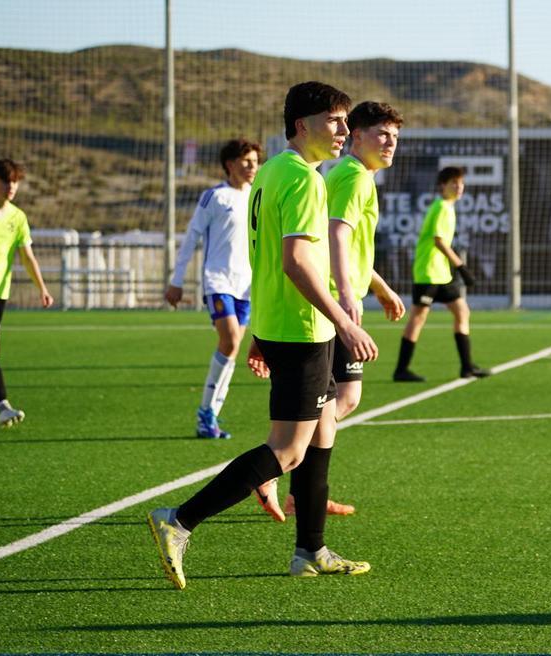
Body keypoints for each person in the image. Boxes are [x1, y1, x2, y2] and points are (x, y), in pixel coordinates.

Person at [147, 81, 378, 589]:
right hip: (302, 329)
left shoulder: (272, 172)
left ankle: (311, 550)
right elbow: (295, 260)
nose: (343, 130)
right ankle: (179, 520)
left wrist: (258, 333)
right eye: (335, 120)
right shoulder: (302, 179)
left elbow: (264, 254)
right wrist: (343, 321)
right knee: (290, 449)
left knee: (323, 432)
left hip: (278, 324)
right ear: (303, 125)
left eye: (345, 121)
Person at [263, 101, 407, 519]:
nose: (390, 143)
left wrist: (377, 286)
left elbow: (349, 244)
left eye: (395, 136)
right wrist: (347, 295)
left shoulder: (354, 176)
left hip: (340, 299)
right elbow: (336, 236)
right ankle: (280, 470)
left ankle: (300, 486)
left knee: (337, 401)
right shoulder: (352, 176)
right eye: (381, 134)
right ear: (357, 136)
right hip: (331, 305)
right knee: (339, 399)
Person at [165, 138, 262, 439]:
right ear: (230, 164)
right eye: (246, 161)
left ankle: (211, 415)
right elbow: (192, 236)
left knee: (231, 351)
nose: (252, 167)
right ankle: (206, 412)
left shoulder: (258, 196)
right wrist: (176, 280)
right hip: (218, 280)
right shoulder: (214, 197)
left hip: (246, 286)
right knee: (231, 340)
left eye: (256, 162)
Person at [392, 166, 488, 382]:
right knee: (418, 318)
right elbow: (439, 241)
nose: (459, 186)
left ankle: (467, 366)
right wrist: (462, 267)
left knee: (462, 312)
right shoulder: (442, 207)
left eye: (461, 183)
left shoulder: (447, 207)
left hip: (442, 274)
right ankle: (401, 369)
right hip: (428, 272)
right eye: (454, 182)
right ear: (442, 186)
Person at [0, 158, 54, 428]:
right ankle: (3, 406)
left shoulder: (17, 217)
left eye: (15, 182)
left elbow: (27, 257)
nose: (11, 186)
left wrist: (42, 288)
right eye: (6, 181)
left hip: (0, 292)